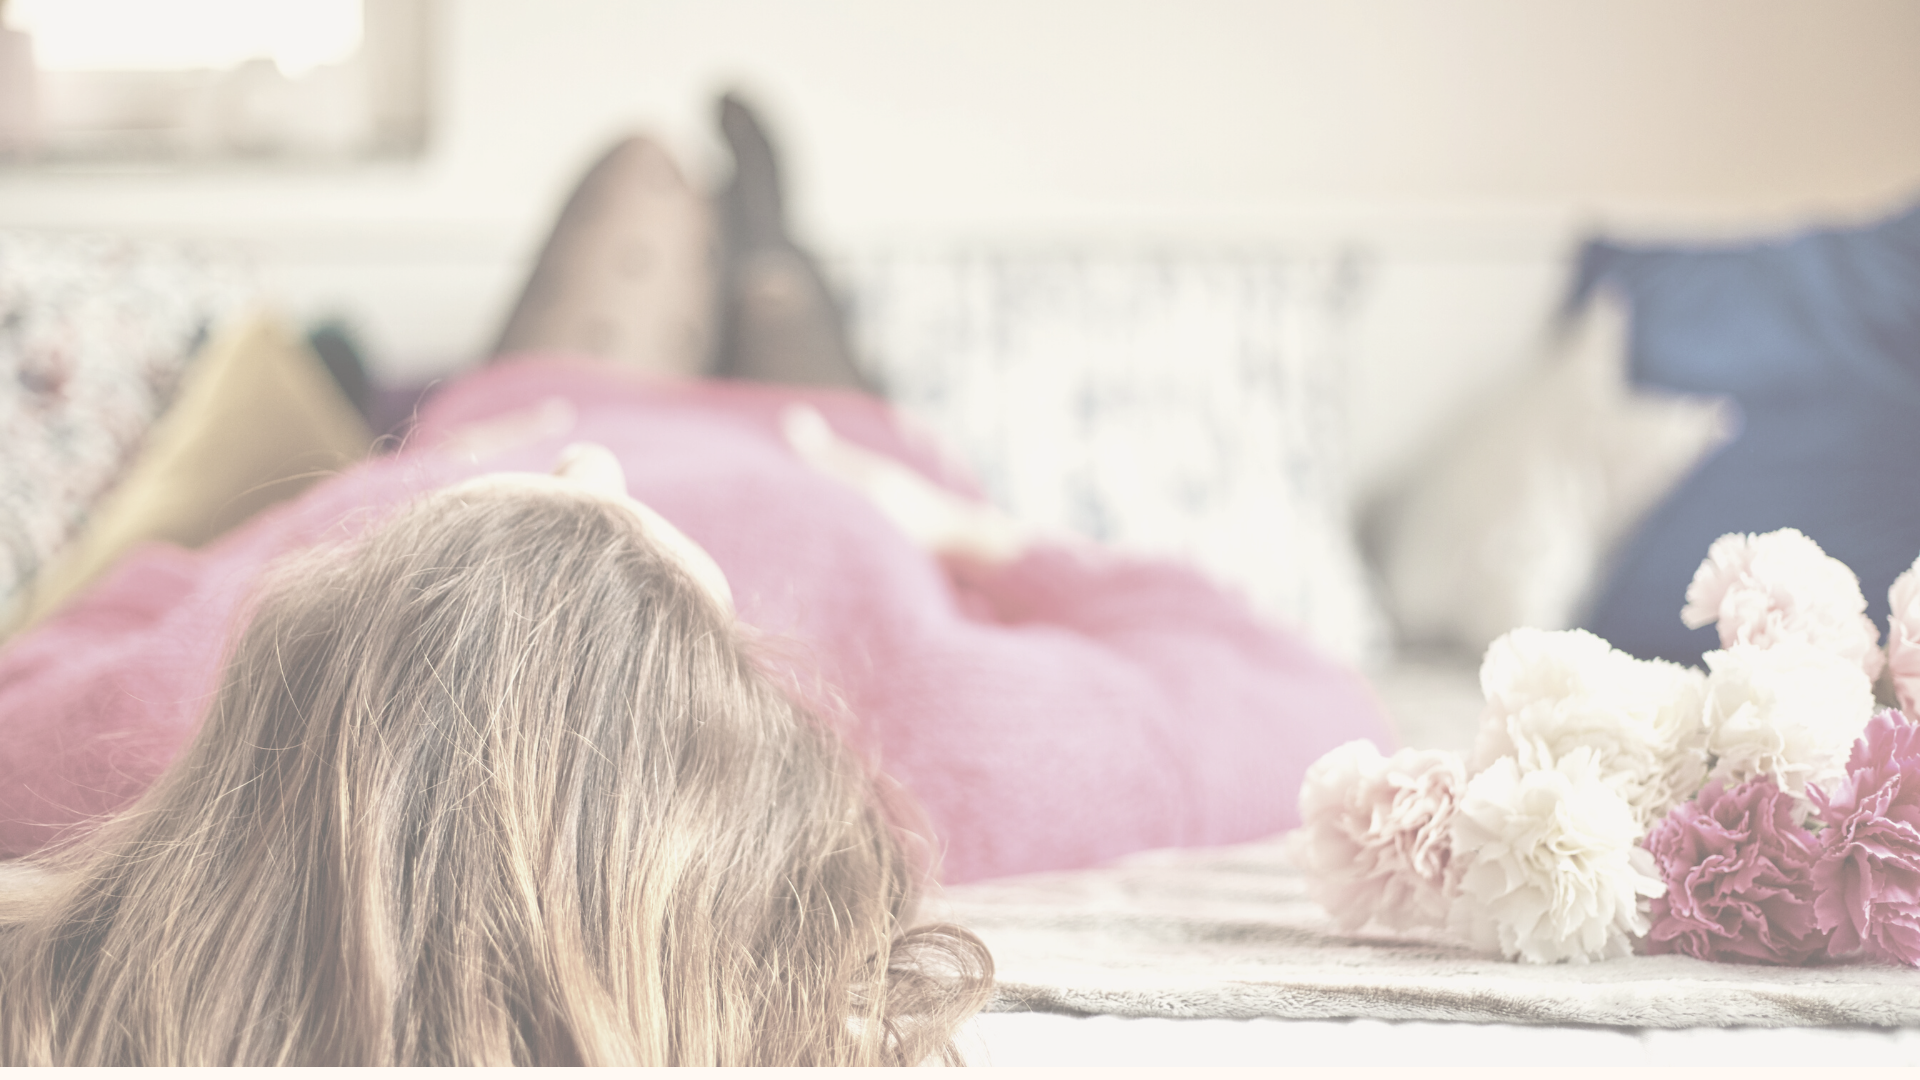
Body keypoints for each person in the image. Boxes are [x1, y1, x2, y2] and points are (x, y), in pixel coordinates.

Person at [0, 96, 1393, 1065]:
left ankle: (726, 213)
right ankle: (772, 257)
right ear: (751, 724)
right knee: (727, 248)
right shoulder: (931, 746)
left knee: (635, 177)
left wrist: (348, 503)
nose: (601, 467)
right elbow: (1307, 697)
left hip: (528, 392)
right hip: (826, 446)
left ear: (349, 616)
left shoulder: (207, 712)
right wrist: (976, 538)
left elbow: (68, 628)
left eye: (537, 511)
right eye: (618, 526)